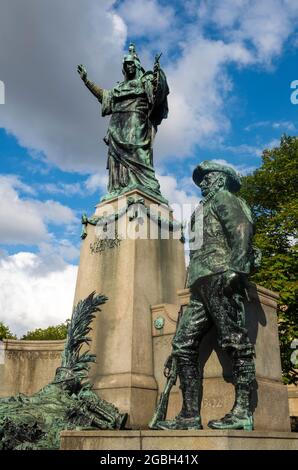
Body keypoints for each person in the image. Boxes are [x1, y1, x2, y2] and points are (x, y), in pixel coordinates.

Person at [152, 160, 256, 431]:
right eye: (203, 179)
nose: (204, 183)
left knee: (235, 341)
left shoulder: (224, 198)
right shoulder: (202, 207)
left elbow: (241, 229)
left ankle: (243, 411)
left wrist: (237, 269)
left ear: (221, 180)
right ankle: (188, 415)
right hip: (201, 282)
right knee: (183, 345)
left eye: (208, 177)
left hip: (220, 274)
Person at [77, 43, 169, 201]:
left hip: (136, 121)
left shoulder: (144, 80)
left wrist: (157, 74)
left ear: (137, 65)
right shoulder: (119, 87)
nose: (129, 67)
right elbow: (104, 96)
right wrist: (87, 81)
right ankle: (120, 187)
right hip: (116, 125)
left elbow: (157, 91)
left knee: (138, 153)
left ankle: (144, 185)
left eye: (132, 64)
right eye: (126, 65)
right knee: (117, 160)